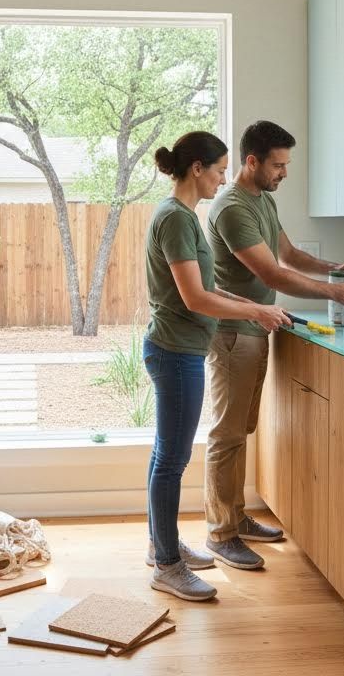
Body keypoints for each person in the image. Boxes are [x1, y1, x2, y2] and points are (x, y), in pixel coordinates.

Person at [204, 120, 344, 570]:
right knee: (227, 434)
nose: (284, 173)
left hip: (254, 330)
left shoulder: (263, 200)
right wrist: (336, 293)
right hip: (232, 333)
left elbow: (291, 256)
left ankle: (235, 519)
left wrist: (337, 270)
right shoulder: (232, 207)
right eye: (278, 165)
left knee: (240, 431)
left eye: (286, 164)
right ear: (252, 161)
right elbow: (272, 274)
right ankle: (221, 533)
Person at [143, 130, 292, 602]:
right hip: (176, 351)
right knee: (171, 461)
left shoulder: (183, 216)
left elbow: (209, 287)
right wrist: (256, 309)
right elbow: (195, 298)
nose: (223, 179)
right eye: (220, 170)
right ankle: (168, 565)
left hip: (179, 348)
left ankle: (161, 547)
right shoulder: (176, 218)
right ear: (197, 169)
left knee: (165, 456)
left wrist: (256, 308)